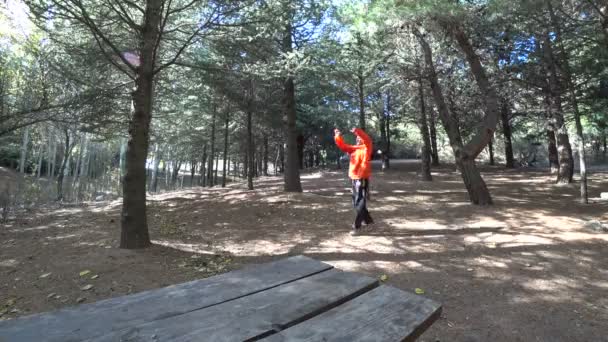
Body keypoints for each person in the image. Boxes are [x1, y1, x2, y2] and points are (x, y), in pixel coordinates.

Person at [334, 127, 374, 235]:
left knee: (359, 201)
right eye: (356, 138)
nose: (357, 139)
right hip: (354, 177)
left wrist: (357, 131)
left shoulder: (367, 147)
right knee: (355, 202)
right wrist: (337, 136)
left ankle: (357, 226)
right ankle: (368, 221)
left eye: (359, 138)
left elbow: (367, 139)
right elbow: (342, 146)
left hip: (362, 177)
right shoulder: (354, 149)